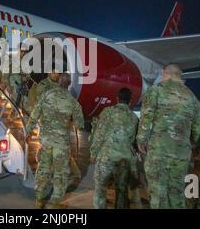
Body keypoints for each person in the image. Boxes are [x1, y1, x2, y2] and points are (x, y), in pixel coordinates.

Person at [136, 64, 200, 209]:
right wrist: (191, 144)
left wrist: (141, 140)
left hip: (159, 151)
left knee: (158, 193)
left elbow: (146, 117)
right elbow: (198, 128)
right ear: (180, 75)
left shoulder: (156, 90)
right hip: (182, 152)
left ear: (165, 74)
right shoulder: (191, 96)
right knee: (177, 192)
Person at [26, 73, 84, 209]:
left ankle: (39, 199)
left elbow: (34, 113)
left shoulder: (47, 95)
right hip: (61, 144)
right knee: (60, 173)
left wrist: (28, 131)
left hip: (46, 141)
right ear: (69, 84)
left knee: (43, 169)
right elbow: (80, 124)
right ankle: (55, 203)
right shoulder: (72, 102)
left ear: (58, 82)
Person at [91, 88, 139, 209]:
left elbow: (99, 135)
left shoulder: (107, 112)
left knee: (100, 189)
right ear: (130, 101)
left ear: (117, 99)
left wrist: (93, 154)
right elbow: (134, 141)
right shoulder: (134, 117)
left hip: (106, 157)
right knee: (122, 191)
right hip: (124, 159)